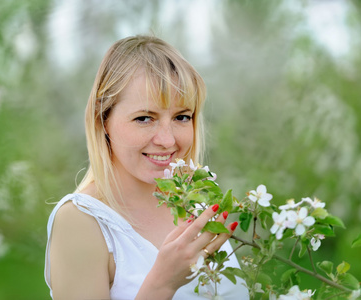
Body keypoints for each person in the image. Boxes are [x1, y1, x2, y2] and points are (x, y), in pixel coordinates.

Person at [44, 35, 249, 300]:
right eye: (144, 118)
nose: (167, 140)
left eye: (181, 117)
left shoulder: (196, 205)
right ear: (103, 120)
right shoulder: (80, 221)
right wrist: (162, 284)